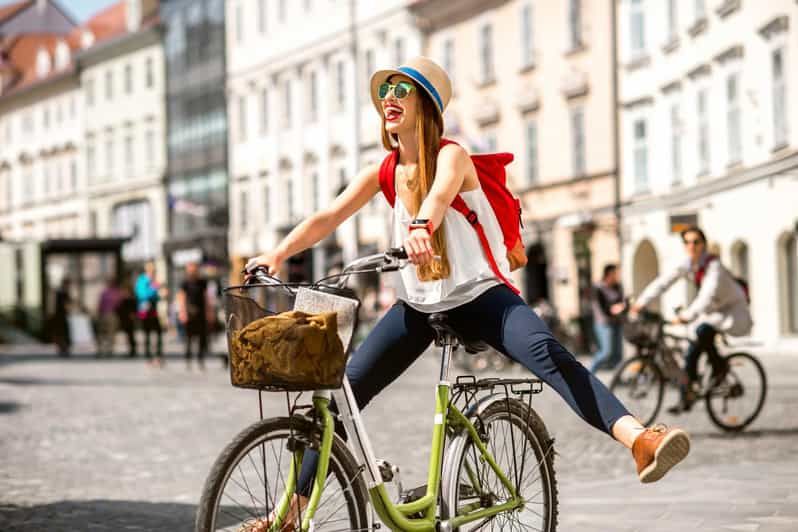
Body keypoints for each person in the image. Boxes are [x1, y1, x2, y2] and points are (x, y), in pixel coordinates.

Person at [245, 57, 690, 527]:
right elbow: (328, 217)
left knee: (549, 355)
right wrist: (278, 253)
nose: (389, 98)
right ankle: (287, 516)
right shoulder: (384, 171)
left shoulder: (453, 155)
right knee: (341, 397)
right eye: (384, 92)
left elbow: (437, 196)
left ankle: (640, 440)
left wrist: (421, 226)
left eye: (402, 89)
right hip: (418, 306)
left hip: (480, 297)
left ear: (427, 105)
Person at [631, 226, 752, 413]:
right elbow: (663, 282)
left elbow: (707, 295)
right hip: (713, 312)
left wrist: (687, 316)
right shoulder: (687, 264)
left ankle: (714, 375)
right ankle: (690, 391)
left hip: (732, 312)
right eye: (687, 242)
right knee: (695, 344)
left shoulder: (714, 266)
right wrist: (641, 302)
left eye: (696, 242)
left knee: (699, 338)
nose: (692, 246)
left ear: (703, 244)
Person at [590, 264, 626, 373]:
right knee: (606, 352)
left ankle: (617, 378)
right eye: (616, 273)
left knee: (618, 354)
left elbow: (622, 302)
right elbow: (603, 308)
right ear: (609, 274)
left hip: (617, 323)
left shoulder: (617, 286)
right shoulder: (598, 288)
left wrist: (623, 306)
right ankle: (589, 373)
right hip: (604, 324)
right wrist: (614, 309)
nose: (618, 276)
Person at [177, 262, 212, 369]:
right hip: (189, 313)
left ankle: (200, 359)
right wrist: (182, 312)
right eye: (190, 269)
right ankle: (188, 360)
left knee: (201, 338)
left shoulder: (202, 282)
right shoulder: (185, 283)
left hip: (200, 313)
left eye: (194, 269)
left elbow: (206, 298)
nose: (192, 271)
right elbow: (181, 298)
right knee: (188, 339)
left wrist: (209, 312)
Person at [135, 261, 164, 366]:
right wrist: (154, 288)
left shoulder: (153, 281)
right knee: (147, 333)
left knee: (158, 332)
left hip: (153, 309)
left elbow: (155, 295)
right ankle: (149, 357)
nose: (153, 272)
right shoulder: (142, 280)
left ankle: (158, 356)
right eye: (151, 270)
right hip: (144, 310)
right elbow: (142, 295)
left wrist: (160, 296)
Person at [95, 277, 122, 357]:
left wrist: (98, 314)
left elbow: (100, 305)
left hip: (104, 314)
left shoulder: (105, 293)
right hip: (112, 315)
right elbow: (119, 305)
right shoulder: (117, 293)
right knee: (110, 333)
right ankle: (108, 349)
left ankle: (101, 349)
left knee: (102, 333)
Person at [116, 279, 138, 357]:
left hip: (130, 319)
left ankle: (133, 350)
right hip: (126, 319)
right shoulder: (125, 299)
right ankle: (131, 350)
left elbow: (134, 309)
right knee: (129, 336)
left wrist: (133, 315)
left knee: (131, 335)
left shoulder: (130, 299)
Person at [52, 277, 73, 357]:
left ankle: (63, 349)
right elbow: (66, 305)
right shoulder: (63, 293)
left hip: (59, 316)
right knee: (63, 333)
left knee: (61, 333)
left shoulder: (59, 292)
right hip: (62, 316)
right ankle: (64, 349)